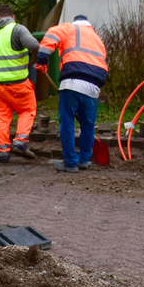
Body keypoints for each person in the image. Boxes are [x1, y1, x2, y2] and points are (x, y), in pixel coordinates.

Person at [35, 14, 109, 172]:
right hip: (94, 86)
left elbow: (51, 35)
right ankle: (83, 160)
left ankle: (70, 162)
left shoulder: (69, 28)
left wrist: (42, 59)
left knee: (67, 122)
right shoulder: (97, 38)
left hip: (72, 80)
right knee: (88, 125)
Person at [0, 4, 40, 163]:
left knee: (1, 117)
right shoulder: (17, 29)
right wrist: (41, 58)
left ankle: (3, 152)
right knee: (27, 109)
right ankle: (20, 141)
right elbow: (34, 45)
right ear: (13, 17)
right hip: (17, 83)